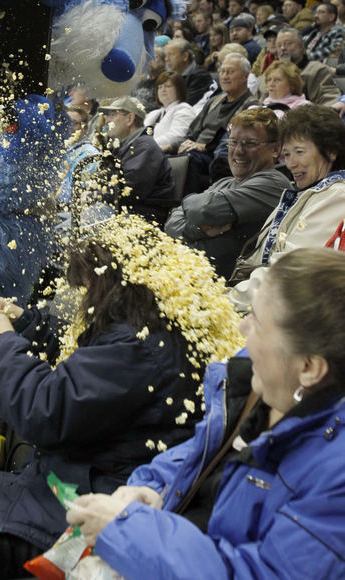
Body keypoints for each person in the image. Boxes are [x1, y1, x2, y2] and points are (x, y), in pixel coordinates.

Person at [0, 213, 243, 580]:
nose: (81, 298)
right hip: (82, 476)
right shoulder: (151, 319)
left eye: (86, 287)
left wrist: (0, 341)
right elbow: (85, 363)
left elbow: (44, 412)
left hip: (88, 503)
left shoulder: (139, 346)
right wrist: (25, 322)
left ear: (109, 285)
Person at [67, 247, 345, 579]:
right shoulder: (264, 387)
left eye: (257, 321)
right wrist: (155, 488)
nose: (242, 327)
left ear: (310, 367)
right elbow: (203, 450)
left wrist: (125, 530)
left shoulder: (334, 479)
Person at [230, 104, 345, 310]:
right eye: (287, 154)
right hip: (260, 302)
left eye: (299, 152)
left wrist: (227, 301)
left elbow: (289, 272)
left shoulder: (337, 196)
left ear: (331, 152)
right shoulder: (307, 192)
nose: (291, 163)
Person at [165, 107, 290, 279]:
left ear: (275, 149)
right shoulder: (224, 183)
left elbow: (205, 210)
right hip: (185, 274)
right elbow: (171, 222)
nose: (238, 151)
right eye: (233, 142)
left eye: (250, 143)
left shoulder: (274, 184)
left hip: (225, 286)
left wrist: (188, 207)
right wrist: (199, 229)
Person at [178, 53, 259, 194]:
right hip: (194, 151)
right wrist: (185, 143)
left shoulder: (251, 107)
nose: (225, 76)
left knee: (189, 160)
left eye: (230, 72)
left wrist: (204, 147)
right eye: (222, 71)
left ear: (246, 76)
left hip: (217, 157)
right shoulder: (213, 101)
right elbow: (192, 132)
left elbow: (233, 142)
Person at [99, 96, 175, 223]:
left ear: (130, 118)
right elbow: (100, 178)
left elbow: (128, 191)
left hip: (139, 217)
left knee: (66, 230)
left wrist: (94, 196)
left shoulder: (144, 146)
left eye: (112, 115)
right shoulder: (119, 146)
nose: (106, 120)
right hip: (118, 210)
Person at [257, 27, 342, 106]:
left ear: (301, 46)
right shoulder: (269, 73)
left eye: (288, 44)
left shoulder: (317, 70)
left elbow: (330, 100)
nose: (282, 48)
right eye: (279, 45)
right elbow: (256, 100)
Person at [142, 72, 196, 153]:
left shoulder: (184, 109)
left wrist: (144, 145)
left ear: (179, 89)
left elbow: (176, 137)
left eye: (168, 86)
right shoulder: (154, 113)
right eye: (160, 87)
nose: (162, 90)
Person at [163, 38, 214, 106]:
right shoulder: (171, 75)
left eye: (171, 54)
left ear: (185, 56)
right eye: (166, 55)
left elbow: (186, 104)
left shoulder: (200, 76)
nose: (166, 59)